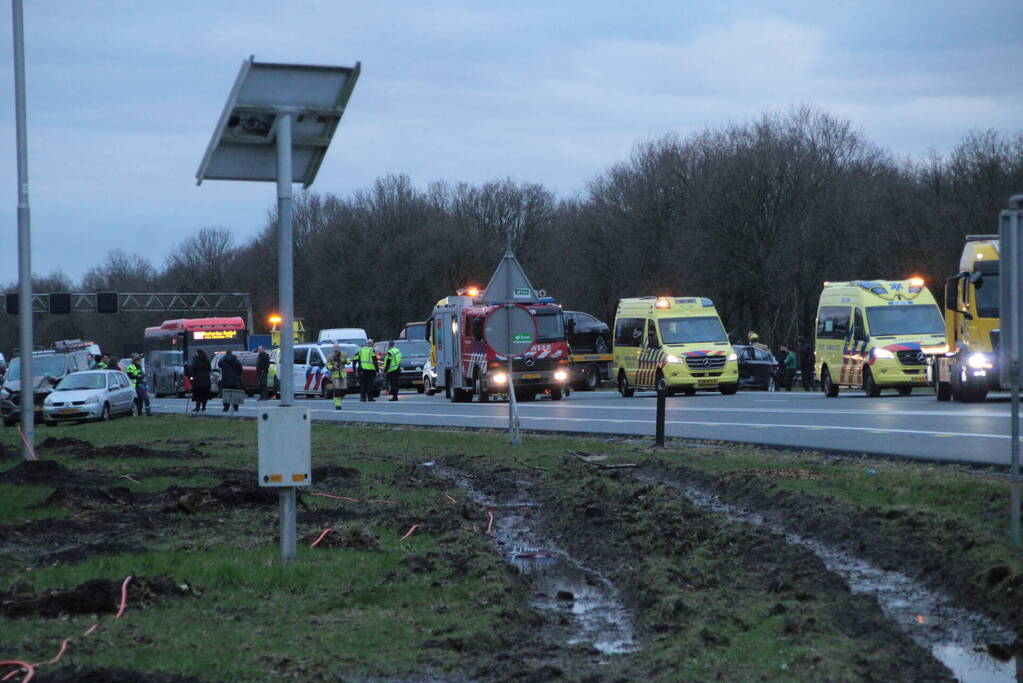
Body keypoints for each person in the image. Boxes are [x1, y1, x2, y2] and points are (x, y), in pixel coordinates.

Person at [327, 344, 348, 410]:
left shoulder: (343, 355)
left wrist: (344, 361)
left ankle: (339, 399)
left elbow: (349, 361)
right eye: (335, 347)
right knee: (337, 391)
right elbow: (327, 365)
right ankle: (337, 405)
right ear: (333, 349)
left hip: (343, 375)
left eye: (337, 347)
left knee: (344, 390)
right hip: (335, 375)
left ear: (339, 348)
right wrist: (332, 367)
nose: (336, 349)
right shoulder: (330, 357)